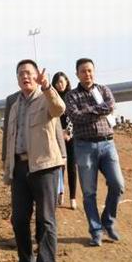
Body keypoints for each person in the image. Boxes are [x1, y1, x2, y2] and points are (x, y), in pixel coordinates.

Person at [2, 60, 66, 262]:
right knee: (19, 218)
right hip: (20, 168)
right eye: (21, 73)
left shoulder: (45, 98)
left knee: (46, 219)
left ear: (37, 76)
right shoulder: (15, 105)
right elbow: (10, 138)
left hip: (44, 167)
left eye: (29, 73)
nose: (25, 77)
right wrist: (8, 167)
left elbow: (59, 109)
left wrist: (47, 87)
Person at [64, 58, 125, 247]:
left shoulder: (103, 90)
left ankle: (108, 221)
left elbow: (110, 106)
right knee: (89, 192)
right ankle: (96, 231)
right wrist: (98, 111)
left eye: (90, 70)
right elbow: (75, 116)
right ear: (77, 74)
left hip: (107, 144)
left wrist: (88, 111)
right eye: (83, 71)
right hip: (84, 147)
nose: (87, 74)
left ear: (94, 71)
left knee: (117, 184)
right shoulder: (72, 96)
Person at [51, 71, 78, 210]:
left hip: (71, 136)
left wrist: (69, 132)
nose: (60, 85)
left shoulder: (72, 96)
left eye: (62, 81)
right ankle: (60, 193)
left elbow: (74, 116)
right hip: (57, 136)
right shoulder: (52, 97)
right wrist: (59, 133)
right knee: (59, 165)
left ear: (67, 82)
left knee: (72, 166)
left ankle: (73, 197)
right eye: (57, 82)